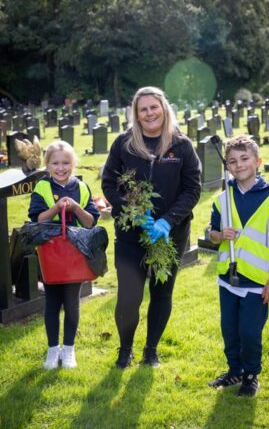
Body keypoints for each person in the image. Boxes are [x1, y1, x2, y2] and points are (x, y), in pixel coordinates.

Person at [101, 86, 201, 368]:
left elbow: (192, 189)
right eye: (143, 109)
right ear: (136, 114)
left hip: (169, 237)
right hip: (132, 235)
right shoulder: (124, 143)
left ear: (163, 108)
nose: (149, 113)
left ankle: (151, 350)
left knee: (161, 293)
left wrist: (167, 221)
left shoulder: (182, 146)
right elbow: (109, 183)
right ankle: (125, 349)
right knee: (129, 297)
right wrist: (131, 210)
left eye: (153, 107)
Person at [208, 135, 269, 396]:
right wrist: (221, 236)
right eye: (232, 161)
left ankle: (251, 374)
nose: (238, 164)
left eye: (245, 159)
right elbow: (211, 232)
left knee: (249, 332)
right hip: (228, 279)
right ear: (228, 166)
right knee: (229, 330)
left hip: (257, 281)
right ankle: (235, 371)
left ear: (258, 162)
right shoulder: (223, 198)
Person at [29, 140, 100, 370]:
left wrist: (75, 208)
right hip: (51, 252)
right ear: (47, 164)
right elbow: (38, 219)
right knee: (52, 302)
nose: (61, 168)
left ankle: (68, 349)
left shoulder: (80, 187)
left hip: (75, 253)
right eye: (56, 163)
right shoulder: (42, 187)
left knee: (72, 302)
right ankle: (52, 349)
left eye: (66, 162)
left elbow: (90, 222)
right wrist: (57, 207)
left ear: (74, 163)